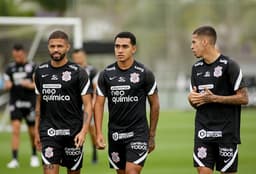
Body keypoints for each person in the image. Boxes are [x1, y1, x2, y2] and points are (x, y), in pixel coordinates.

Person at [94, 31, 160, 174]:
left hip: (138, 133)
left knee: (132, 172)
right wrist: (98, 133)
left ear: (133, 49)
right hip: (115, 134)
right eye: (117, 46)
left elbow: (154, 104)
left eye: (125, 46)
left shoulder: (144, 73)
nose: (120, 50)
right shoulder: (106, 74)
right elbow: (98, 104)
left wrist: (152, 135)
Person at [188, 26, 248, 174]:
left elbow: (244, 98)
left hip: (226, 133)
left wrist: (214, 98)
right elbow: (197, 103)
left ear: (205, 42)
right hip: (203, 132)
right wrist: (192, 99)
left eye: (194, 42)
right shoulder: (196, 68)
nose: (191, 46)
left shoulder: (230, 65)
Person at [34, 30, 92, 174]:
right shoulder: (40, 72)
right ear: (48, 47)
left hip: (73, 133)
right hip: (49, 133)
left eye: (60, 46)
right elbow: (39, 105)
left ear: (67, 47)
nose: (56, 49)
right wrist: (36, 131)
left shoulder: (78, 72)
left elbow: (88, 105)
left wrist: (84, 131)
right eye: (52, 46)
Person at [3, 44, 39, 168]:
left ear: (24, 53)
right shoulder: (10, 68)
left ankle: (34, 156)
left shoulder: (33, 67)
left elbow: (37, 85)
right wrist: (7, 85)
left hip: (30, 103)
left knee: (32, 132)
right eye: (15, 56)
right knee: (16, 129)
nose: (17, 58)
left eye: (19, 55)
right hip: (15, 102)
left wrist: (29, 85)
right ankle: (14, 159)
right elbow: (7, 83)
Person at [72, 48, 99, 164]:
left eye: (79, 57)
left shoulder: (92, 70)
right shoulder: (71, 70)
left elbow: (96, 88)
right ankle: (76, 152)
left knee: (91, 130)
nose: (77, 59)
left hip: (88, 105)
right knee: (74, 130)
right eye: (75, 57)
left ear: (84, 56)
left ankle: (94, 152)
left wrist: (93, 104)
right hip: (74, 107)